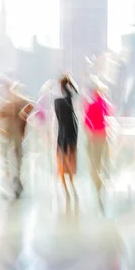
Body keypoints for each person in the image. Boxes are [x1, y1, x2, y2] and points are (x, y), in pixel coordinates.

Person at [0, 79, 33, 198]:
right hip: (7, 136)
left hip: (16, 136)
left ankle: (16, 183)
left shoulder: (19, 103)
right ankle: (10, 185)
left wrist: (24, 117)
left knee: (17, 159)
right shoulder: (6, 106)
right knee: (6, 161)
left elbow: (31, 106)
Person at [83, 76, 113, 209]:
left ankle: (99, 185)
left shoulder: (91, 105)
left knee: (93, 166)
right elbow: (109, 118)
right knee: (101, 164)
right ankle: (102, 183)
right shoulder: (105, 103)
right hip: (104, 138)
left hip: (94, 139)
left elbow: (85, 123)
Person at [54, 75, 79, 203]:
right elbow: (75, 93)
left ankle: (65, 188)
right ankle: (72, 185)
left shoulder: (57, 102)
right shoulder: (69, 100)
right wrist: (70, 82)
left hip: (61, 133)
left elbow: (58, 118)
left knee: (62, 159)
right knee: (70, 159)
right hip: (71, 133)